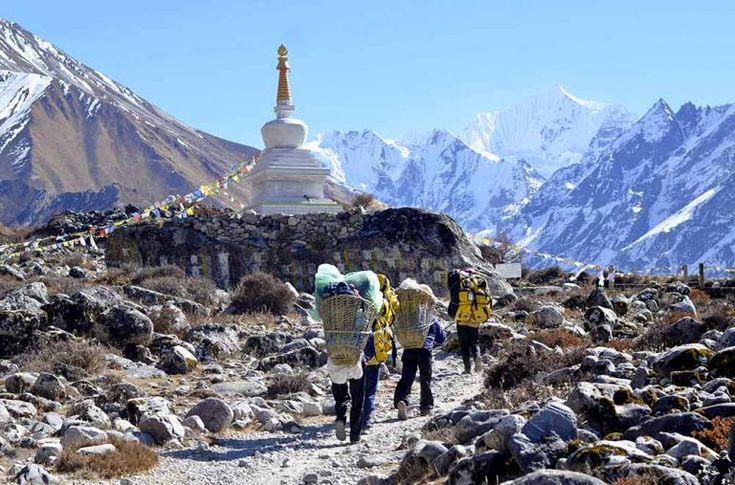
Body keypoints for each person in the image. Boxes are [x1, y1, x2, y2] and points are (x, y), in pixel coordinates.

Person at [361, 274, 398, 431]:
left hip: (358, 351)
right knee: (370, 389)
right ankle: (366, 421)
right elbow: (392, 316)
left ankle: (355, 418)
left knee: (357, 388)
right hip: (376, 349)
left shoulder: (360, 301)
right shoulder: (383, 302)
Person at [394, 317, 446, 419]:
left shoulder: (408, 317)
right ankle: (426, 408)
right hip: (424, 350)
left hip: (408, 350)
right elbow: (441, 338)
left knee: (406, 378)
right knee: (425, 379)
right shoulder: (431, 318)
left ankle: (402, 400)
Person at [329, 356, 366, 444]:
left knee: (340, 397)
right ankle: (355, 436)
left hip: (336, 365)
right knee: (357, 400)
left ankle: (341, 417)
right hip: (355, 365)